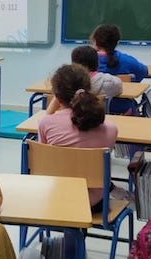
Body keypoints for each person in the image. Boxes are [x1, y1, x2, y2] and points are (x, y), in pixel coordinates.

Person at [38, 64, 118, 211]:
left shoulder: (46, 123)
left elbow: (43, 156)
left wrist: (51, 108)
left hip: (55, 197)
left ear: (56, 96)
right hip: (94, 203)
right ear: (88, 91)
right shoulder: (110, 129)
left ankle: (70, 232)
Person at [46, 45, 123, 114]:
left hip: (69, 120)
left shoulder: (67, 84)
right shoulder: (108, 82)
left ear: (74, 64)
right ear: (97, 63)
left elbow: (49, 114)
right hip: (97, 121)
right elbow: (119, 90)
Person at [91, 23, 148, 115]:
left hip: (92, 111)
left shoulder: (85, 62)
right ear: (117, 42)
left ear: (95, 42)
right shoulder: (126, 60)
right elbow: (144, 71)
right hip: (122, 111)